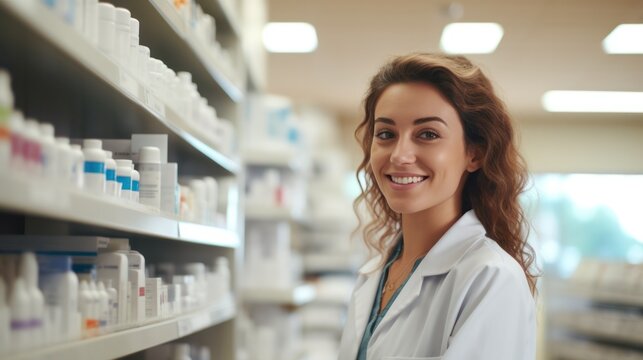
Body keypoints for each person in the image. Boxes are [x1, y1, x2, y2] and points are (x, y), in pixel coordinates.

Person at [338, 53, 537, 360]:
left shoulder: (491, 278)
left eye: (427, 134)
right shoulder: (379, 270)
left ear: (475, 153)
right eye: (386, 134)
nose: (400, 155)